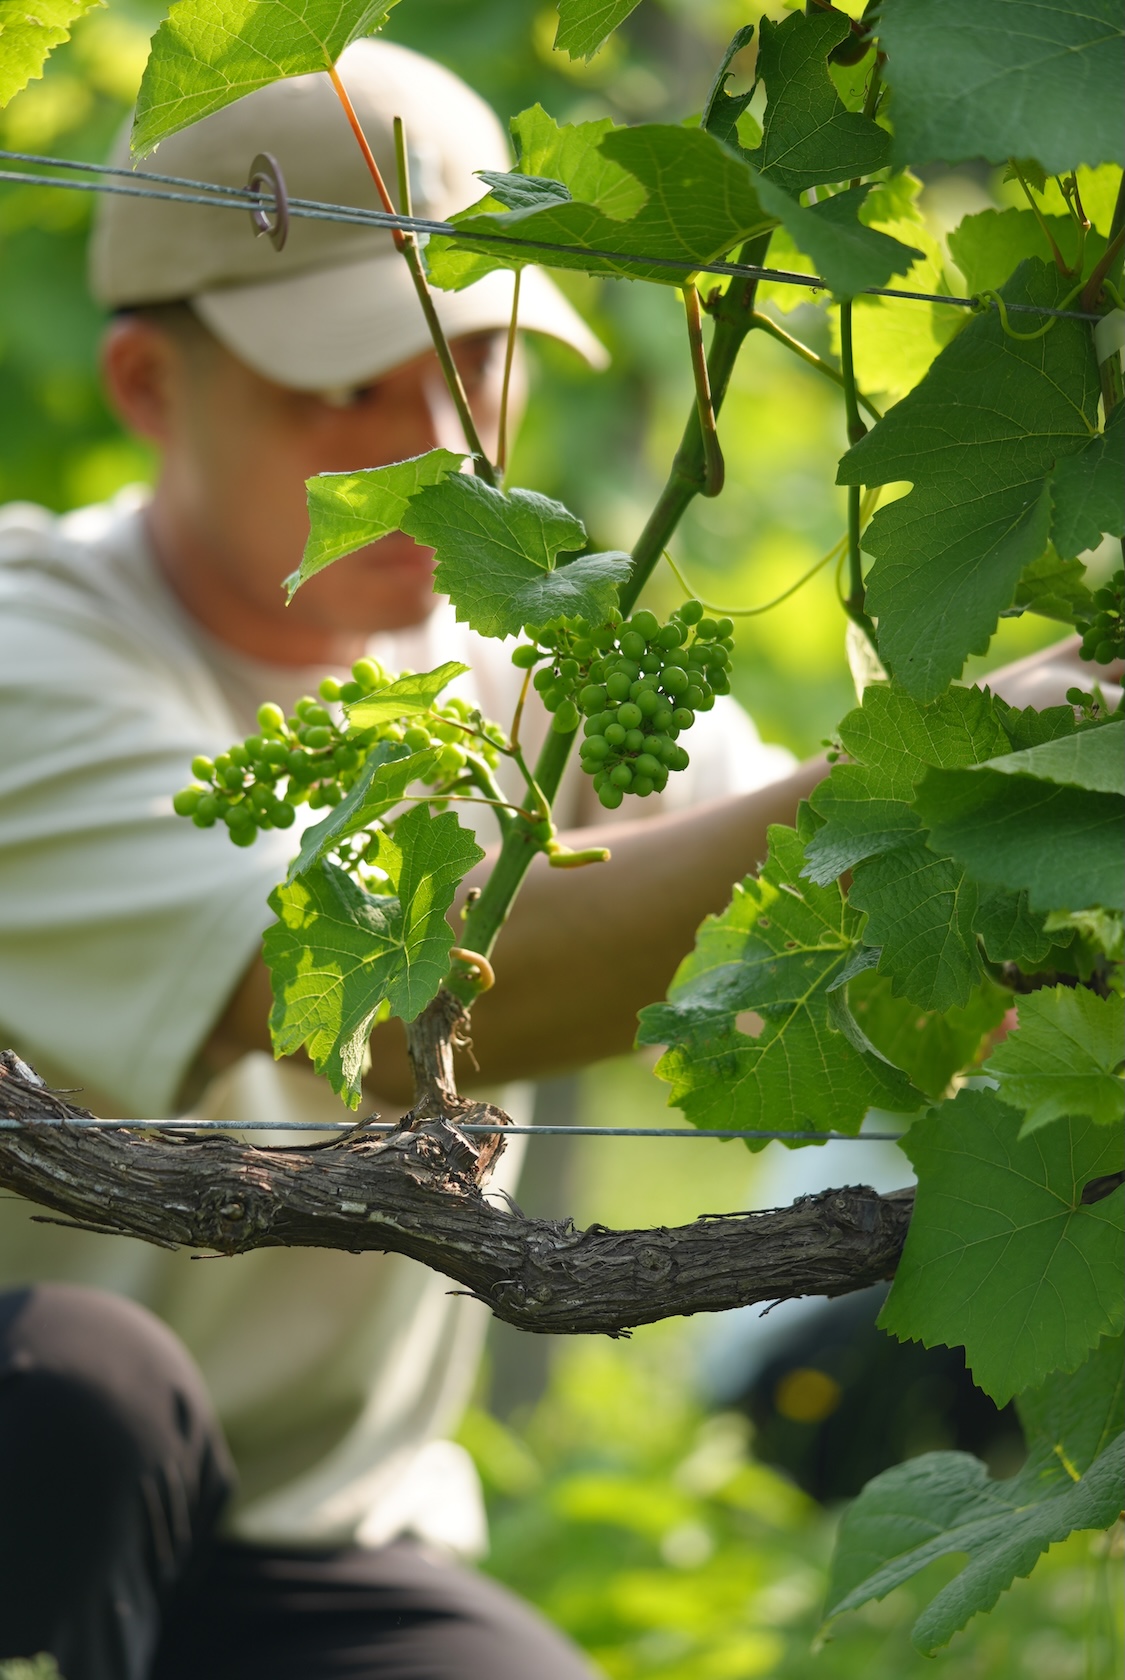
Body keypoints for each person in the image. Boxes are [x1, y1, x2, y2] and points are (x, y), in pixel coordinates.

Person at [0, 36, 1104, 1680]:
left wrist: (1025, 865)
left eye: (471, 363)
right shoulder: (29, 654)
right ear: (151, 385)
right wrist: (960, 781)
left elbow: (791, 910)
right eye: (343, 390)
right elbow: (360, 1007)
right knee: (82, 1395)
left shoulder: (536, 649)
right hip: (37, 1457)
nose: (435, 448)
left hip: (305, 1525)